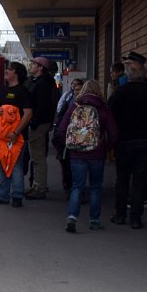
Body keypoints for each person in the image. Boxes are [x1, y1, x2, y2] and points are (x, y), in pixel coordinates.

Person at [107, 51, 147, 229]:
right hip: (145, 142)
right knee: (140, 179)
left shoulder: (120, 93)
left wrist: (113, 139)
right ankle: (136, 217)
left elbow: (111, 117)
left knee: (122, 178)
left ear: (127, 75)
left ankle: (120, 214)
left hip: (124, 142)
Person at [53, 79, 118, 233]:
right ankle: (94, 221)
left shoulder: (74, 107)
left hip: (76, 154)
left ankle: (72, 218)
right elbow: (114, 134)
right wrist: (105, 148)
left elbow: (61, 130)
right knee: (95, 187)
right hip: (97, 154)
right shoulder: (104, 109)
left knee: (77, 186)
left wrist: (69, 146)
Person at [0, 61, 33, 207]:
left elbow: (28, 113)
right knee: (1, 164)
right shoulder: (1, 89)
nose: (6, 71)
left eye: (10, 69)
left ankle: (17, 196)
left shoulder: (22, 91)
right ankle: (3, 195)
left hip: (17, 136)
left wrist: (16, 131)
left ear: (16, 73)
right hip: (1, 136)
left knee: (16, 165)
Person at [23, 57, 56, 199]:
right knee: (37, 157)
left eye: (33, 64)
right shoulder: (42, 82)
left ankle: (40, 188)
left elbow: (41, 106)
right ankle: (37, 185)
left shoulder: (42, 84)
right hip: (40, 122)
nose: (30, 66)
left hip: (38, 124)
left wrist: (33, 123)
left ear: (40, 68)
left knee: (38, 157)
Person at [54, 78, 84, 194]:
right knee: (68, 164)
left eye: (79, 88)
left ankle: (72, 187)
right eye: (74, 87)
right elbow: (61, 116)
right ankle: (69, 186)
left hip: (78, 140)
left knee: (74, 165)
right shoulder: (68, 98)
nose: (76, 91)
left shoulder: (75, 103)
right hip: (68, 138)